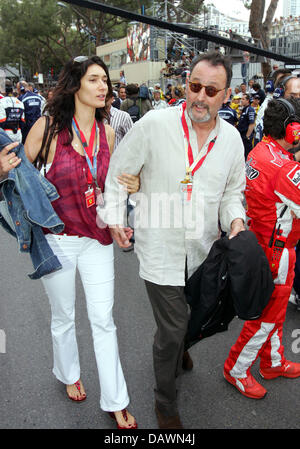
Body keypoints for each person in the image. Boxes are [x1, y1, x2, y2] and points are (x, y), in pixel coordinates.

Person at [98, 51, 246, 429]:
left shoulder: (230, 140)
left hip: (203, 250)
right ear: (185, 86)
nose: (201, 97)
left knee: (192, 318)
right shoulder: (154, 124)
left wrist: (237, 221)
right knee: (171, 329)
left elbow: (232, 193)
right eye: (194, 86)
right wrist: (114, 218)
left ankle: (183, 345)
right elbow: (120, 172)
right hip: (159, 247)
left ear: (225, 95)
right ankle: (166, 402)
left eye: (211, 90)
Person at [23, 55, 139, 429]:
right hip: (56, 240)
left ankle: (115, 399)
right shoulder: (47, 128)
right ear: (75, 86)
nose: (103, 86)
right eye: (94, 80)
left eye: (105, 80)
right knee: (64, 316)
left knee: (103, 319)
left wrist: (122, 208)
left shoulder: (107, 133)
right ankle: (69, 371)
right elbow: (17, 178)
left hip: (96, 238)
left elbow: (110, 188)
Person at [224, 97, 300, 399]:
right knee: (267, 317)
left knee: (276, 312)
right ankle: (236, 368)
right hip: (277, 250)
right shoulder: (285, 167)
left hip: (266, 242)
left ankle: (273, 361)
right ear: (292, 130)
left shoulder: (260, 150)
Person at [237, 93, 256, 159]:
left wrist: (247, 136)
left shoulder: (250, 109)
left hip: (245, 137)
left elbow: (252, 124)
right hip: (241, 135)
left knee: (246, 155)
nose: (241, 100)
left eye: (243, 99)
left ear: (248, 100)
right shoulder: (244, 109)